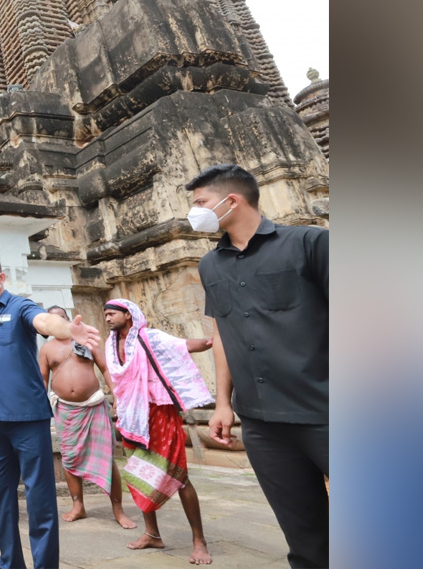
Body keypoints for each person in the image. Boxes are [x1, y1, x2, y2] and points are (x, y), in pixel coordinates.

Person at [187, 164, 329, 568]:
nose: (194, 211)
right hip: (263, 423)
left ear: (232, 200)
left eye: (200, 203)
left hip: (328, 410)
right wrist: (223, 404)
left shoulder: (310, 244)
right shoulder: (210, 266)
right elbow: (223, 339)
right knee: (304, 536)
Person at [0, 255, 101, 569]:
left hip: (28, 420)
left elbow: (45, 322)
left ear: (1, 277)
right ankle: (10, 563)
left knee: (40, 500)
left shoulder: (19, 306)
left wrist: (69, 331)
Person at [103, 299, 215, 565]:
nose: (107, 318)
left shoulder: (150, 337)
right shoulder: (110, 345)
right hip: (132, 418)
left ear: (128, 315)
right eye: (105, 314)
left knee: (180, 476)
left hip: (159, 414)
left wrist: (215, 341)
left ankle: (199, 541)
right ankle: (152, 533)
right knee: (141, 476)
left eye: (112, 314)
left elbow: (184, 346)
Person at [38, 306, 135, 529]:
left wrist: (117, 396)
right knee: (69, 459)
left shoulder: (85, 341)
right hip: (65, 410)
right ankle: (78, 505)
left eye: (62, 318)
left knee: (106, 458)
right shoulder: (46, 350)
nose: (59, 322)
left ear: (69, 320)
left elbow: (105, 368)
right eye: (53, 319)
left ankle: (118, 510)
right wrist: (40, 408)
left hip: (93, 406)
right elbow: (42, 379)